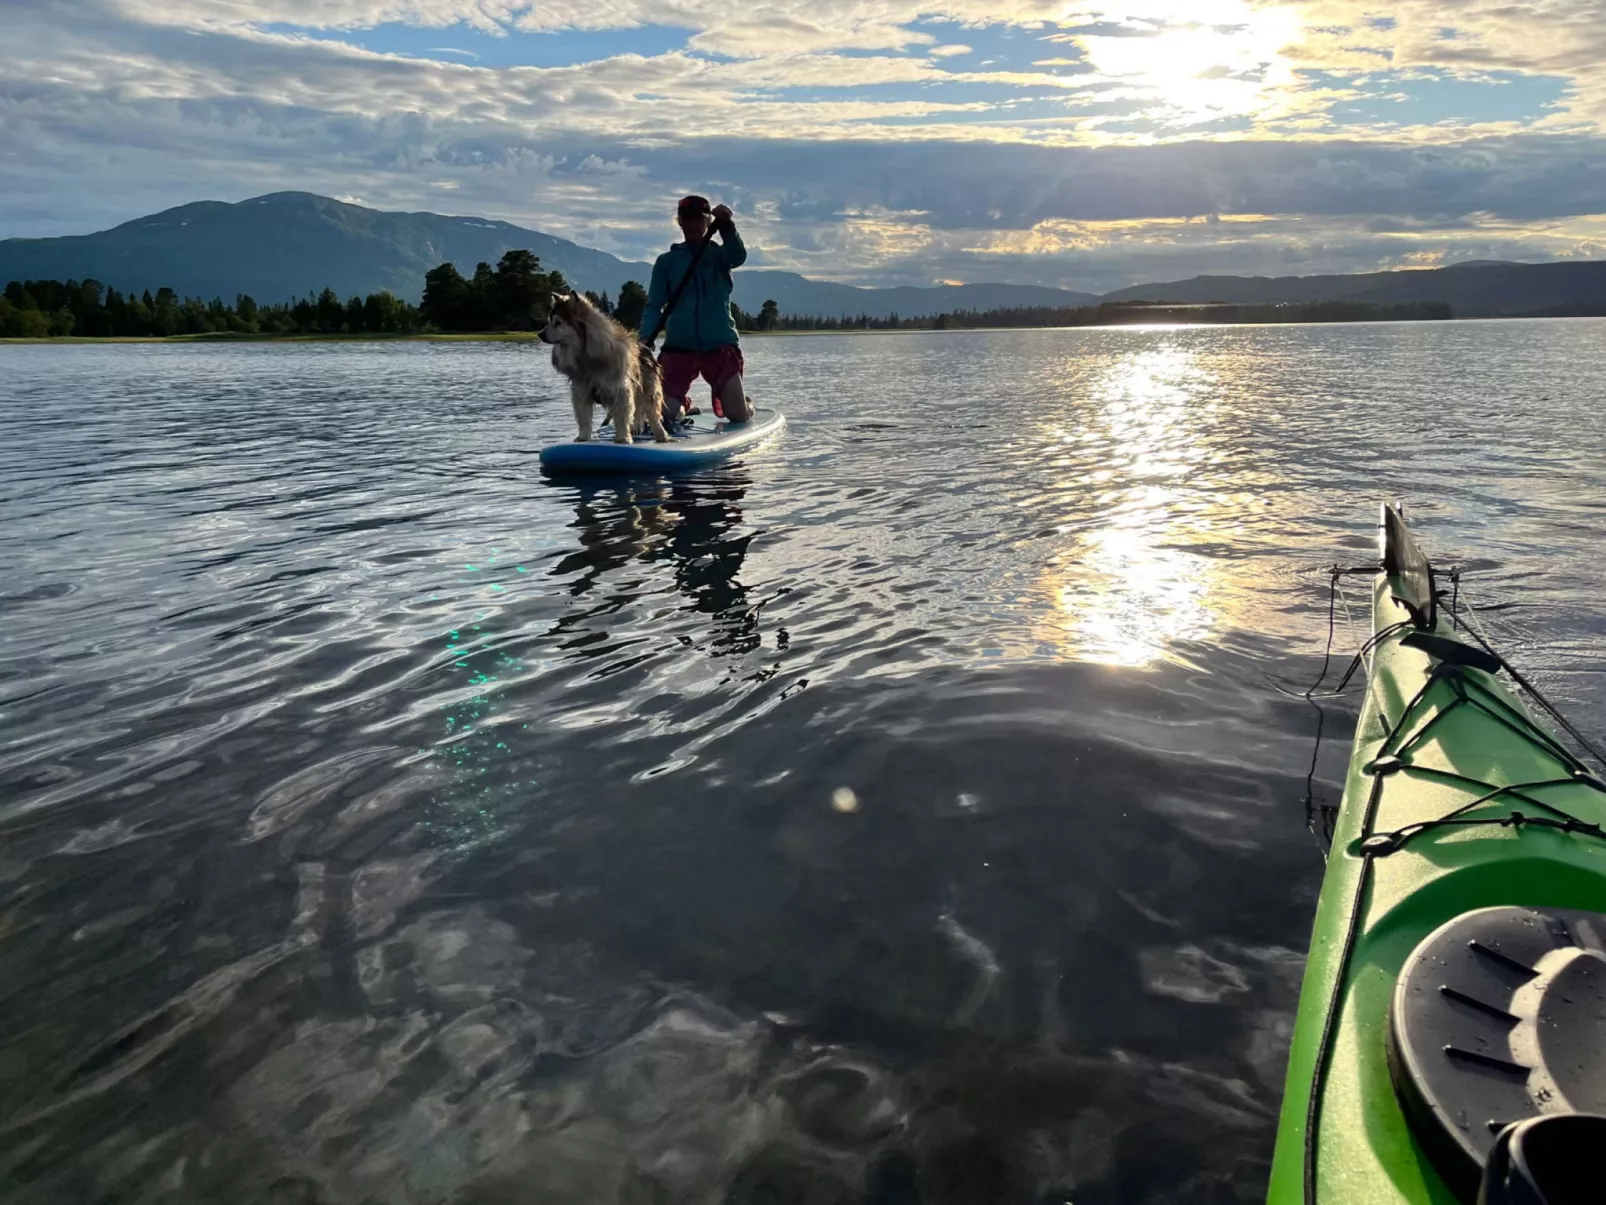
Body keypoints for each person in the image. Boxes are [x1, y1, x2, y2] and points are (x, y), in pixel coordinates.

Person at [638, 195, 753, 423]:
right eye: (687, 220)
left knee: (738, 415)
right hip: (679, 347)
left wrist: (728, 226)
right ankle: (682, 405)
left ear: (708, 222)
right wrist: (644, 339)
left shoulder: (720, 256)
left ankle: (745, 403)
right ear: (679, 222)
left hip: (719, 345)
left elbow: (738, 255)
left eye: (699, 220)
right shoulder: (666, 262)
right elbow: (654, 306)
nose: (693, 225)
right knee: (666, 415)